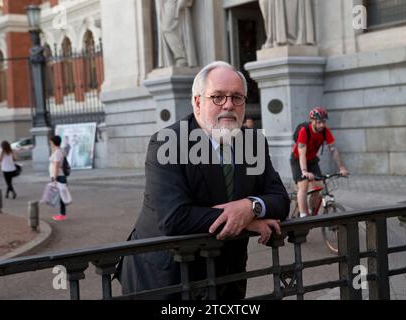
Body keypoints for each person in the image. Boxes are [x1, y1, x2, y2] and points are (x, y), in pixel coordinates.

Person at [116, 61, 290, 300]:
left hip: (228, 274)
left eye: (237, 97)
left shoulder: (253, 142)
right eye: (217, 97)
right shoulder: (168, 143)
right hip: (168, 277)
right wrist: (245, 220)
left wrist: (251, 207)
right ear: (198, 102)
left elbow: (280, 200)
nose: (229, 104)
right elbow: (174, 218)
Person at [290, 107, 349, 218]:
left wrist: (341, 168)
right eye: (318, 122)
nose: (322, 125)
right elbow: (302, 153)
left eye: (323, 122)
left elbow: (334, 150)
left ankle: (313, 213)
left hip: (312, 160)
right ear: (312, 121)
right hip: (298, 160)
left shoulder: (325, 131)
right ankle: (303, 216)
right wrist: (304, 171)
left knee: (318, 186)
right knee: (304, 184)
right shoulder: (304, 130)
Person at [155, 0, 198, 67]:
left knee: (167, 29)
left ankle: (181, 57)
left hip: (173, 3)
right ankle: (179, 58)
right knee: (166, 29)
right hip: (165, 4)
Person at [49, 135, 68, 221]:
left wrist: (55, 179)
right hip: (60, 175)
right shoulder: (60, 151)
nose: (50, 144)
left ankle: (62, 214)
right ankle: (62, 214)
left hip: (58, 176)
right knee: (61, 196)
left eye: (50, 142)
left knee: (61, 196)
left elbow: (56, 166)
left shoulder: (57, 153)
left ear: (53, 142)